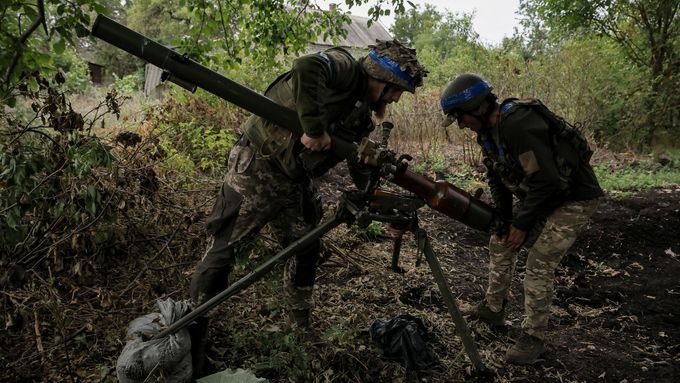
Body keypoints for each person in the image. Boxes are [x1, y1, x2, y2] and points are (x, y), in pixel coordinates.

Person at [189, 40, 427, 375]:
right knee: (223, 252)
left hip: (295, 180)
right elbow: (306, 67)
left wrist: (380, 196)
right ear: (381, 76)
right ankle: (191, 342)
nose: (395, 99)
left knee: (306, 246)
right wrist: (314, 129)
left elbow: (358, 164)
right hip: (258, 168)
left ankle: (298, 330)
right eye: (396, 90)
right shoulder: (344, 67)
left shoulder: (362, 117)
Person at [439, 73, 603, 364]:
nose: (461, 124)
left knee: (538, 264)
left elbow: (547, 180)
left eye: (460, 116)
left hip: (573, 199)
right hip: (544, 197)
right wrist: (504, 220)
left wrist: (522, 224)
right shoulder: (487, 134)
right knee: (500, 241)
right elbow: (497, 178)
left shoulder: (517, 124)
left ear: (478, 107)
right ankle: (493, 308)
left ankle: (534, 338)